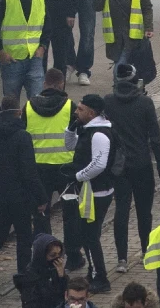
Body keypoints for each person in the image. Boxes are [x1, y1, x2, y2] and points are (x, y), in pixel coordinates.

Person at [0, 96, 48, 294]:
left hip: (1, 194)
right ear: (18, 112)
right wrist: (41, 198)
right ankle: (24, 281)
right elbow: (29, 172)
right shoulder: (22, 136)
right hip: (21, 196)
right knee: (24, 238)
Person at [103, 61, 160, 273]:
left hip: (119, 166)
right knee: (144, 211)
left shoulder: (108, 102)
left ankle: (121, 259)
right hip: (142, 163)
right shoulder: (145, 103)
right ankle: (147, 251)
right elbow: (155, 137)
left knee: (121, 210)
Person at [63, 95, 116, 294]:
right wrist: (70, 128)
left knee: (90, 236)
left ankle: (100, 277)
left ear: (92, 113)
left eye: (81, 109)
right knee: (88, 235)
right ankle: (94, 272)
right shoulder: (88, 131)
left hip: (97, 193)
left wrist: (78, 176)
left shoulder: (99, 134)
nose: (76, 112)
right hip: (89, 191)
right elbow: (70, 145)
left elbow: (99, 164)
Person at [26, 69, 78, 242]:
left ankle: (44, 252)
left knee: (41, 213)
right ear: (62, 84)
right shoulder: (70, 106)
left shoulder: (28, 107)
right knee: (71, 213)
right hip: (66, 168)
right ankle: (73, 255)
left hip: (38, 169)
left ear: (44, 84)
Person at [0, 0, 50, 103]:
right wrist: (1, 52)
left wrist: (43, 47)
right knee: (11, 104)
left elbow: (47, 24)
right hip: (12, 60)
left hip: (35, 57)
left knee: (37, 103)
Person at [13, 234, 67, 308]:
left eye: (59, 254)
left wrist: (61, 276)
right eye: (52, 255)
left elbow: (67, 293)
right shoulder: (30, 277)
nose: (57, 259)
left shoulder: (55, 269)